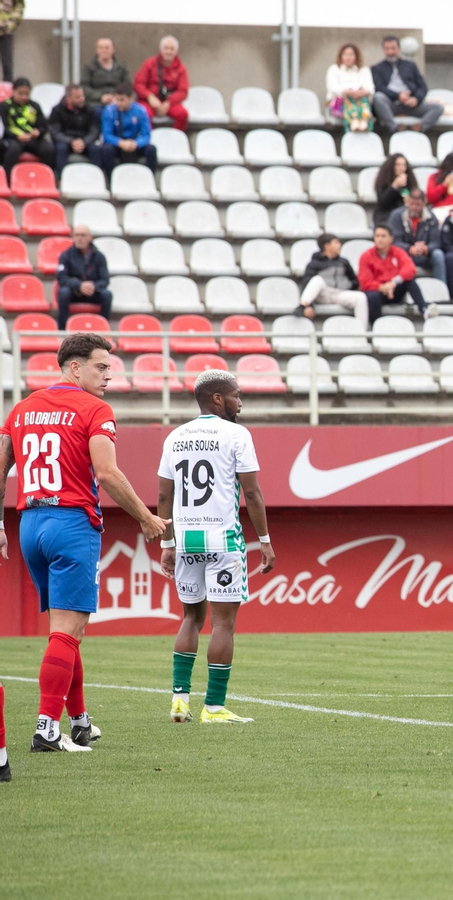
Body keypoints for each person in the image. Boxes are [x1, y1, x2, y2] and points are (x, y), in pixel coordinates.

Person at [0, 334, 168, 756]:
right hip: (72, 524)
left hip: (30, 524)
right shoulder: (95, 409)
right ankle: (46, 729)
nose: (109, 375)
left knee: (66, 631)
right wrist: (146, 518)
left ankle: (79, 722)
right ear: (74, 368)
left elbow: (1, 465)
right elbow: (107, 474)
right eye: (101, 366)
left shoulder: (21, 409)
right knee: (67, 632)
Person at [158, 370, 274, 726]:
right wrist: (265, 541)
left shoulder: (175, 436)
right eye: (237, 395)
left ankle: (179, 701)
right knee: (223, 624)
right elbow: (251, 493)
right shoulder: (237, 434)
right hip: (223, 538)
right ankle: (213, 706)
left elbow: (165, 495)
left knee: (191, 617)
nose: (241, 402)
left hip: (187, 539)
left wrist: (167, 542)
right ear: (218, 399)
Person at [359, 224, 430, 321]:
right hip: (378, 292)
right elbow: (365, 281)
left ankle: (425, 310)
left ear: (391, 239)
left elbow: (410, 268)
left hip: (394, 289)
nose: (380, 239)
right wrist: (382, 287)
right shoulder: (366, 256)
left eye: (383, 236)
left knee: (409, 281)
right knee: (372, 296)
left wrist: (393, 283)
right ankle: (376, 326)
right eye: (377, 236)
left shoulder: (398, 252)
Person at [371, 36, 443, 133]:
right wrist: (398, 96)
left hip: (411, 105)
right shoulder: (377, 68)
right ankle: (394, 128)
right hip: (391, 104)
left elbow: (422, 87)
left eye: (393, 48)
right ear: (383, 50)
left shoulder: (410, 65)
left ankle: (419, 127)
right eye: (387, 49)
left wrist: (416, 99)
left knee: (438, 108)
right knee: (378, 97)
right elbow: (379, 88)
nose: (390, 52)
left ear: (399, 49)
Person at [300, 233, 372, 325]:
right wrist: (309, 306)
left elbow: (354, 280)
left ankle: (362, 332)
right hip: (323, 294)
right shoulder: (314, 264)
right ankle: (303, 305)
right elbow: (307, 284)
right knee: (317, 280)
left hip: (339, 293)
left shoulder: (343, 262)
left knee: (361, 297)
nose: (339, 245)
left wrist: (347, 285)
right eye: (336, 243)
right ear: (327, 246)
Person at [53, 225, 111, 330]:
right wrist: (79, 285)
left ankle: (103, 330)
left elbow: (105, 280)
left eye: (83, 235)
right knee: (63, 292)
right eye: (77, 235)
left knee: (107, 295)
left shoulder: (99, 257)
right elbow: (61, 278)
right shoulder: (66, 255)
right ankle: (61, 330)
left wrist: (93, 286)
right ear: (73, 237)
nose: (80, 238)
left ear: (90, 237)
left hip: (92, 292)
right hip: (74, 292)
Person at [94, 84, 156, 174]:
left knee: (151, 149)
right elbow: (107, 135)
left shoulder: (141, 111)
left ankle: (150, 178)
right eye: (117, 99)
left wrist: (137, 143)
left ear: (131, 98)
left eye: (122, 100)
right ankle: (111, 179)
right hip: (117, 144)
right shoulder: (109, 111)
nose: (119, 103)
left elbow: (146, 134)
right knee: (106, 149)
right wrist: (120, 143)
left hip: (133, 144)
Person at [388, 192, 446, 285]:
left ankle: (442, 290)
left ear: (424, 204)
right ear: (407, 202)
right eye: (412, 204)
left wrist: (426, 249)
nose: (414, 207)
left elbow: (436, 242)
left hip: (424, 255)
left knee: (438, 255)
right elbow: (394, 241)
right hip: (404, 255)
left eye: (418, 205)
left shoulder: (431, 217)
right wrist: (410, 249)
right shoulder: (397, 216)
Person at [134, 35, 189, 131]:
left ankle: (175, 139)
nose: (168, 52)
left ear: (176, 51)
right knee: (144, 113)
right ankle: (149, 140)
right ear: (160, 49)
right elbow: (138, 84)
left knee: (182, 114)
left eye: (172, 49)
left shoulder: (181, 69)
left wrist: (168, 103)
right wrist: (149, 97)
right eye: (166, 48)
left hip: (170, 103)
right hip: (149, 101)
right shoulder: (149, 64)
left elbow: (183, 91)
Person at [1, 79, 53, 173]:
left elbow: (44, 126)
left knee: (48, 149)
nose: (24, 97)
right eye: (20, 93)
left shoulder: (35, 106)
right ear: (13, 91)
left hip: (32, 139)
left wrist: (38, 132)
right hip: (13, 139)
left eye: (27, 94)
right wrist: (17, 136)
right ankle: (9, 180)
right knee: (12, 150)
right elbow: (3, 128)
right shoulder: (5, 106)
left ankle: (45, 178)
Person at [47, 85, 99, 173]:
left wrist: (84, 141)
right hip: (66, 140)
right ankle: (60, 178)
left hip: (84, 140)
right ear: (68, 99)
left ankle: (97, 176)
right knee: (61, 148)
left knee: (95, 149)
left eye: (82, 96)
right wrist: (71, 141)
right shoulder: (57, 110)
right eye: (78, 97)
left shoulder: (90, 109)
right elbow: (55, 132)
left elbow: (95, 130)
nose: (82, 99)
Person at [325, 43, 374, 132]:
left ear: (356, 56)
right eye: (346, 54)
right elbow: (333, 87)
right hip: (339, 104)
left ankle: (364, 123)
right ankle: (353, 122)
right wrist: (349, 92)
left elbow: (370, 88)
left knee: (361, 101)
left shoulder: (364, 70)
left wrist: (359, 93)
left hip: (360, 100)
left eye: (351, 55)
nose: (348, 57)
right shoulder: (334, 69)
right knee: (348, 100)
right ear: (341, 56)